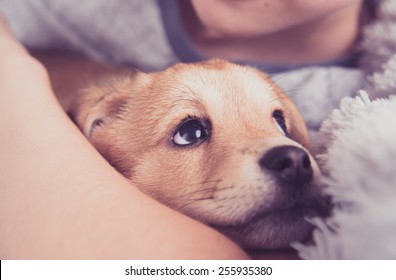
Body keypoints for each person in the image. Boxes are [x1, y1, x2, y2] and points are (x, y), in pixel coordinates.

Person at [0, 0, 376, 259]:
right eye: (190, 131)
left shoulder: (375, 109)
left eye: (278, 121)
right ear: (95, 133)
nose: (287, 155)